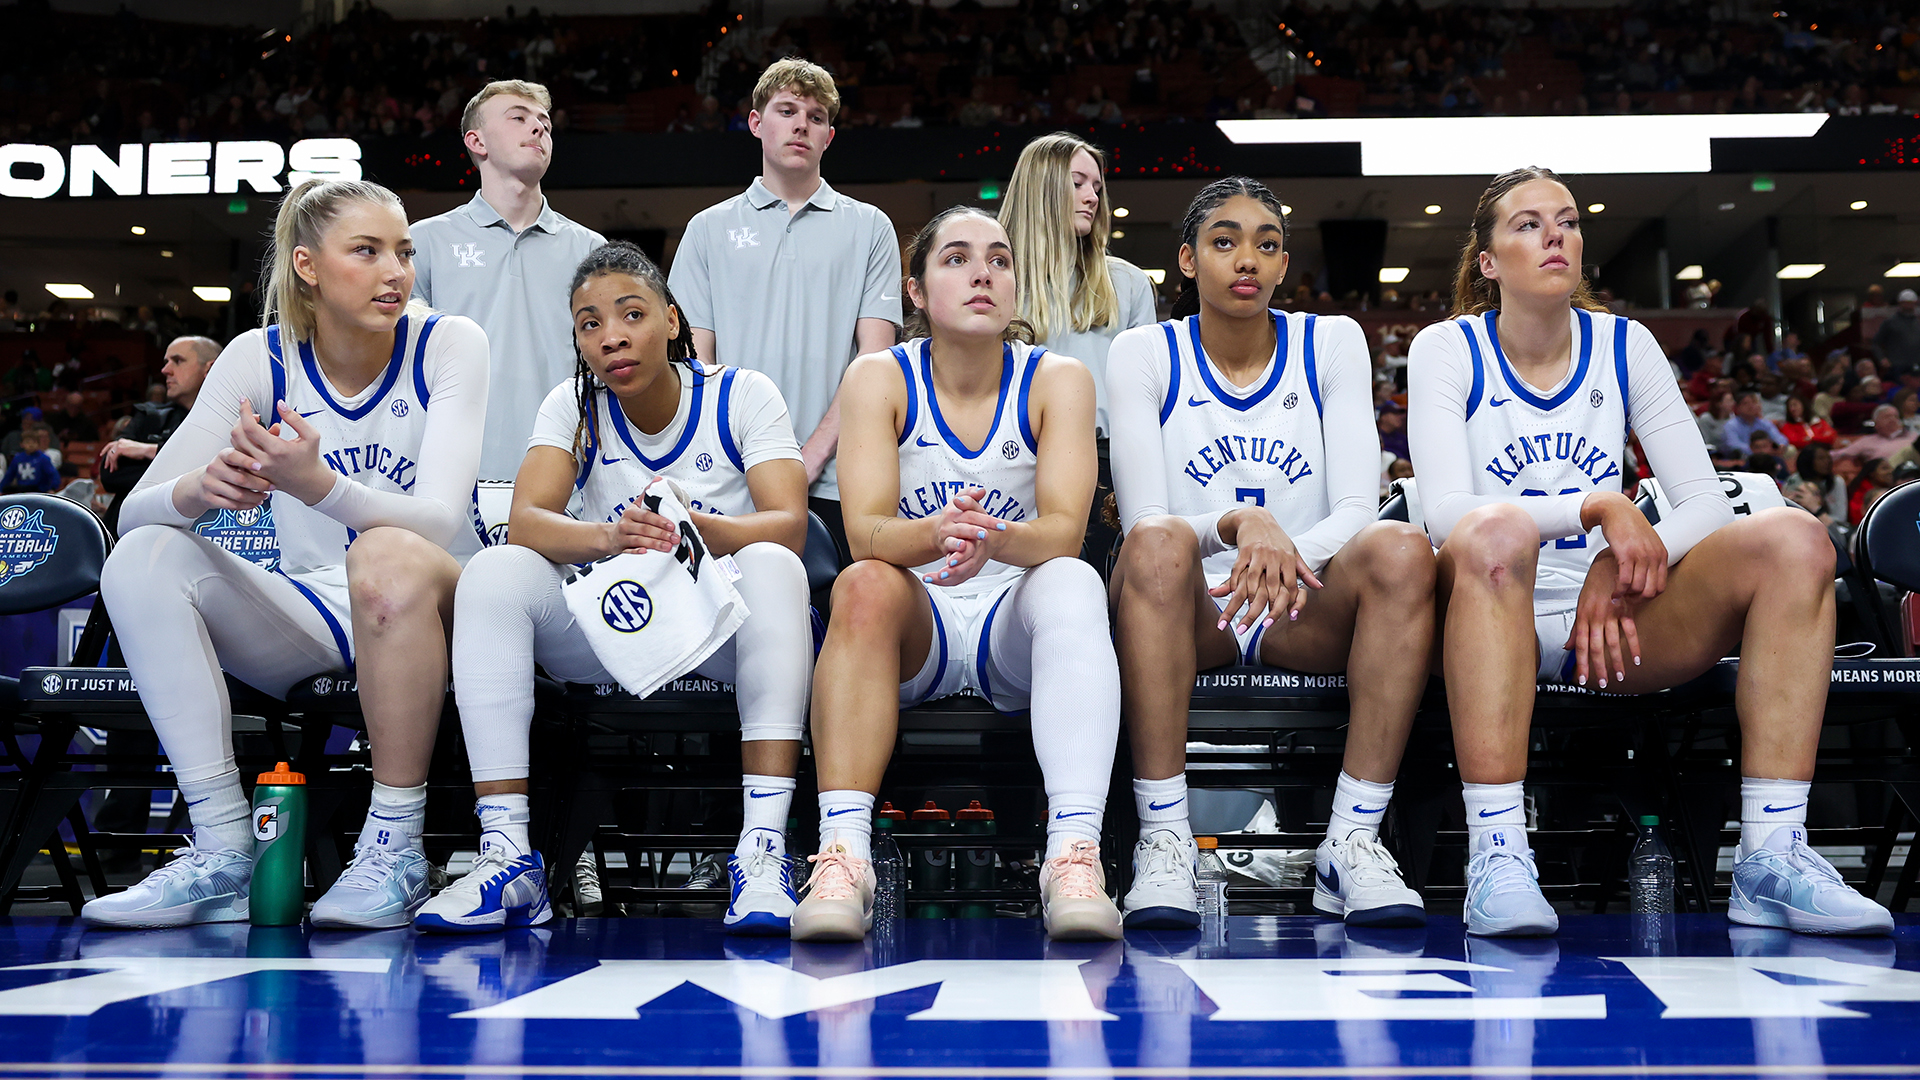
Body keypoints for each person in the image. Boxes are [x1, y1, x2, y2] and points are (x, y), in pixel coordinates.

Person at [1409, 166, 1890, 938]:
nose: (1554, 235)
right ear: (1488, 261)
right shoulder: (1447, 348)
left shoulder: (1625, 343)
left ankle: (1771, 855)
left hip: (1611, 623)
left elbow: (1701, 498)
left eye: (1566, 220)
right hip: (1481, 612)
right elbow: (1447, 516)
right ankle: (1498, 855)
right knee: (1493, 533)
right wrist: (1597, 509)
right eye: (1528, 224)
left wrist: (1624, 561)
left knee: (1797, 539)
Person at [80, 178, 490, 931]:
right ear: (307, 265)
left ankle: (395, 847)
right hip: (314, 607)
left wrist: (321, 485)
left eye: (402, 251)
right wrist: (201, 486)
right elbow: (135, 511)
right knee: (141, 558)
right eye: (366, 251)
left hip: (438, 607)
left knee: (386, 555)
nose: (395, 271)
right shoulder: (258, 357)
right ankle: (226, 850)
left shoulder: (449, 342)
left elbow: (436, 522)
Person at [424, 242, 812, 934]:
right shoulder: (572, 406)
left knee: (777, 567)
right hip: (615, 622)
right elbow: (526, 521)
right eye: (589, 324)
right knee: (493, 573)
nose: (612, 337)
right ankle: (508, 855)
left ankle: (761, 850)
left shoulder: (741, 393)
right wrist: (612, 538)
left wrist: (689, 527)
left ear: (670, 319)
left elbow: (787, 524)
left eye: (630, 314)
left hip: (716, 629)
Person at [1107, 177, 1435, 929]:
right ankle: (1164, 841)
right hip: (1193, 610)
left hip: (1303, 603)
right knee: (1154, 545)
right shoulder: (1143, 352)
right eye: (1224, 241)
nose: (1246, 259)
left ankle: (1351, 839)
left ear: (1285, 265)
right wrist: (1238, 525)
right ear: (1187, 260)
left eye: (1267, 243)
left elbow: (1358, 508)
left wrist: (1277, 556)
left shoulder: (1334, 340)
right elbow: (1149, 517)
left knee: (1403, 547)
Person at [790, 206, 1122, 943]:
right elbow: (866, 533)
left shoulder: (1059, 378)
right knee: (861, 583)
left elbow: (1066, 533)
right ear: (915, 290)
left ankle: (1073, 853)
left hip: (1014, 620)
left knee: (1074, 582)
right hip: (921, 624)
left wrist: (994, 539)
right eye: (958, 259)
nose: (983, 273)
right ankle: (844, 854)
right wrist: (940, 532)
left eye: (1000, 260)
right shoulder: (878, 375)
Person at [669, 58, 902, 562]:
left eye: (816, 117)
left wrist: (813, 453)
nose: (802, 124)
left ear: (829, 137)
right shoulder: (707, 229)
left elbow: (875, 364)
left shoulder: (871, 227)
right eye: (787, 110)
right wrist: (758, 458)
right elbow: (695, 365)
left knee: (844, 624)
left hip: (843, 477)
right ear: (756, 123)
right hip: (731, 473)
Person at [410, 80, 605, 482]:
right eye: (519, 117)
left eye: (545, 124)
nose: (538, 128)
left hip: (567, 471)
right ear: (477, 142)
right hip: (452, 474)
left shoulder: (591, 249)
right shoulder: (424, 242)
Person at [997, 133, 1159, 438]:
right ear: (1040, 189)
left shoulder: (1129, 283)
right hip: (1012, 454)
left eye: (1097, 188)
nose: (1093, 197)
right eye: (1077, 183)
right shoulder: (993, 281)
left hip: (1106, 458)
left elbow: (1146, 400)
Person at [99, 336, 221, 515]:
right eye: (165, 362)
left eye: (178, 361)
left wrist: (149, 451)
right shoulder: (150, 415)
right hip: (130, 529)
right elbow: (111, 475)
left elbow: (219, 476)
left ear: (210, 369)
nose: (165, 370)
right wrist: (189, 475)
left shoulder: (228, 422)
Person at [1832, 404, 1918, 468]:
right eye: (1887, 417)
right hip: (1890, 476)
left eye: (1896, 417)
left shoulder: (1914, 436)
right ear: (1876, 423)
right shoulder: (1867, 441)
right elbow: (1841, 454)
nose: (1893, 419)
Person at [1785, 443, 1846, 525]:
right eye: (1821, 458)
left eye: (1828, 458)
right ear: (1808, 461)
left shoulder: (1837, 482)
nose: (1827, 462)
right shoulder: (1793, 481)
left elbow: (1840, 517)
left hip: (1830, 527)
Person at [1720, 391, 1788, 459]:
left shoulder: (1764, 423)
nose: (1751, 406)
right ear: (1737, 408)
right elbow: (1733, 445)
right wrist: (1757, 449)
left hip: (1766, 456)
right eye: (1745, 403)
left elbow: (1779, 438)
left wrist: (1780, 445)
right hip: (1743, 458)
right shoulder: (1731, 425)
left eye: (1754, 402)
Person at [1872, 289, 1920, 379]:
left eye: (1911, 303)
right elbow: (1876, 343)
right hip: (1897, 365)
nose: (1908, 306)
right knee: (1899, 390)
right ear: (1900, 303)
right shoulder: (1889, 322)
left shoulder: (1918, 323)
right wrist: (1882, 359)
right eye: (1906, 303)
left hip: (1916, 365)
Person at [2, 425, 59, 493]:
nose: (31, 445)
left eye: (34, 442)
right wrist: (1, 488)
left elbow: (52, 474)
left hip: (39, 489)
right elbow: (9, 475)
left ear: (38, 444)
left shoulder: (43, 458)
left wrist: (52, 488)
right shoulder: (17, 458)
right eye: (28, 442)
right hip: (21, 488)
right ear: (22, 444)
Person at [1848, 457, 1893, 524]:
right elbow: (1857, 519)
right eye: (1884, 468)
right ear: (1872, 474)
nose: (1890, 471)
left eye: (1890, 468)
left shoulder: (1893, 489)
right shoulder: (1859, 492)